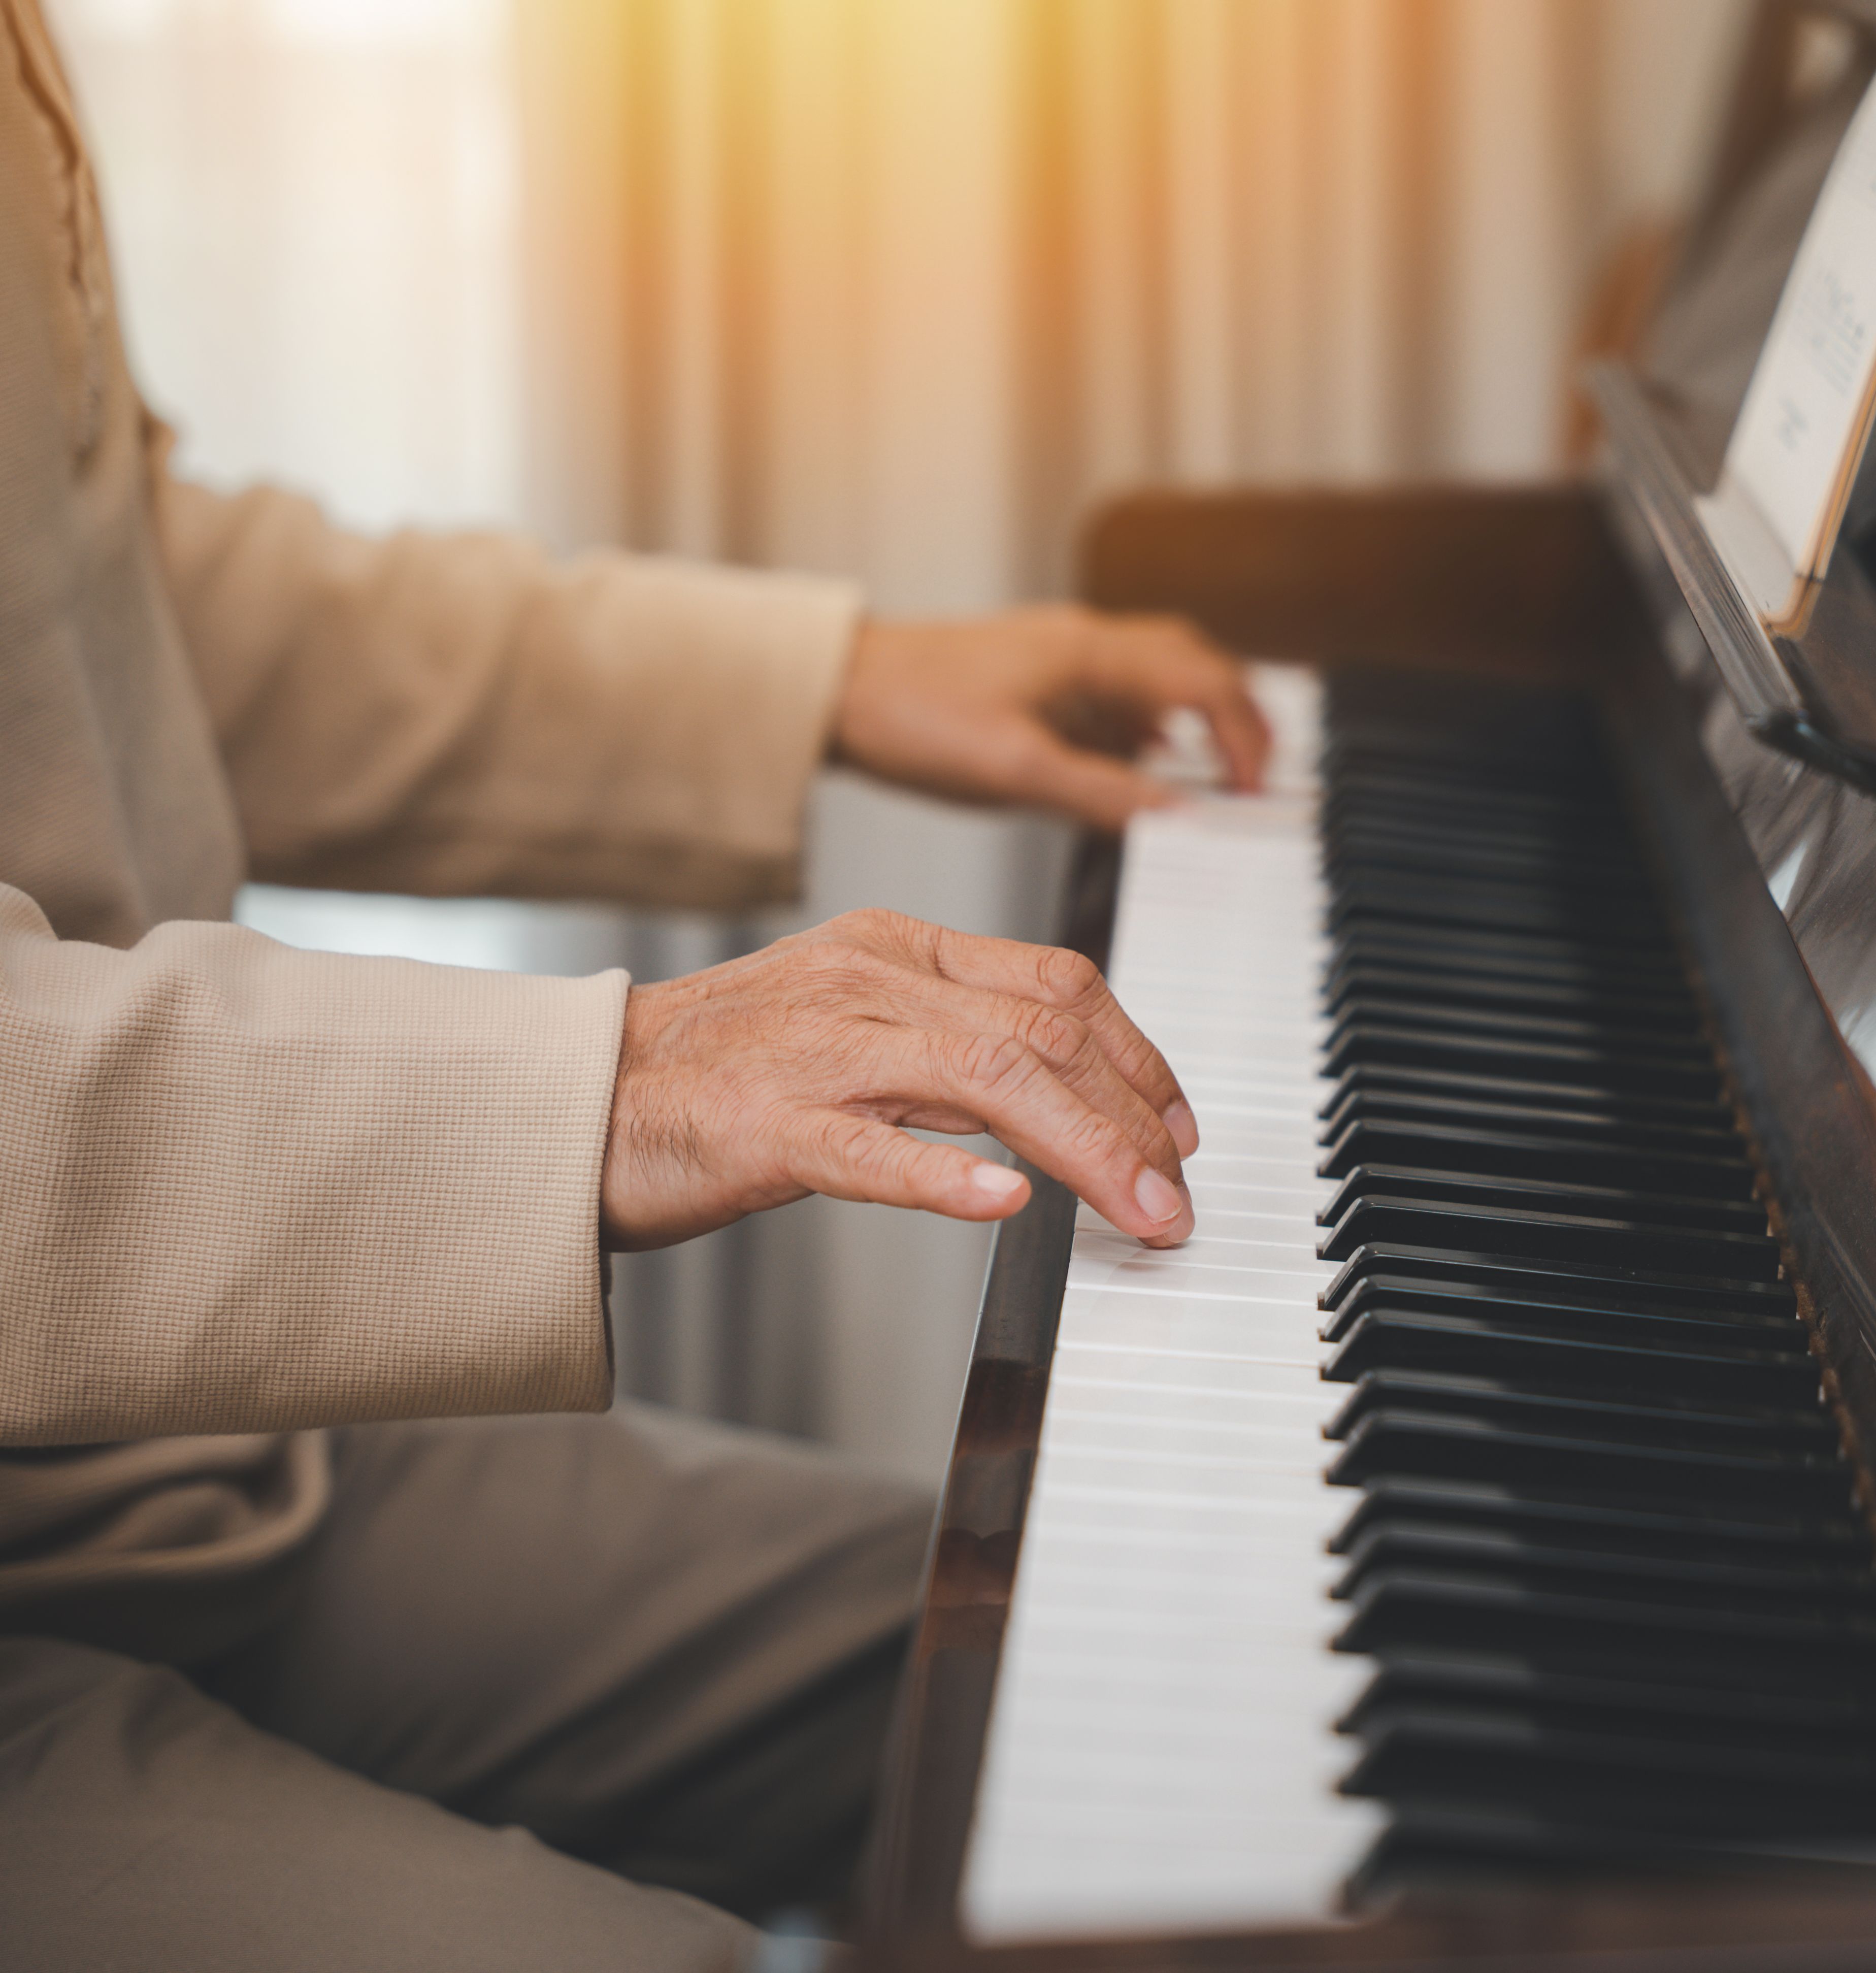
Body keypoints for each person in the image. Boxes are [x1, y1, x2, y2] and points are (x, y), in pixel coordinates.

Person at [0, 2, 1267, 1966]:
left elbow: (108, 586)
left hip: (159, 1437)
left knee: (1145, 1670)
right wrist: (621, 1084)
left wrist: (823, 677)